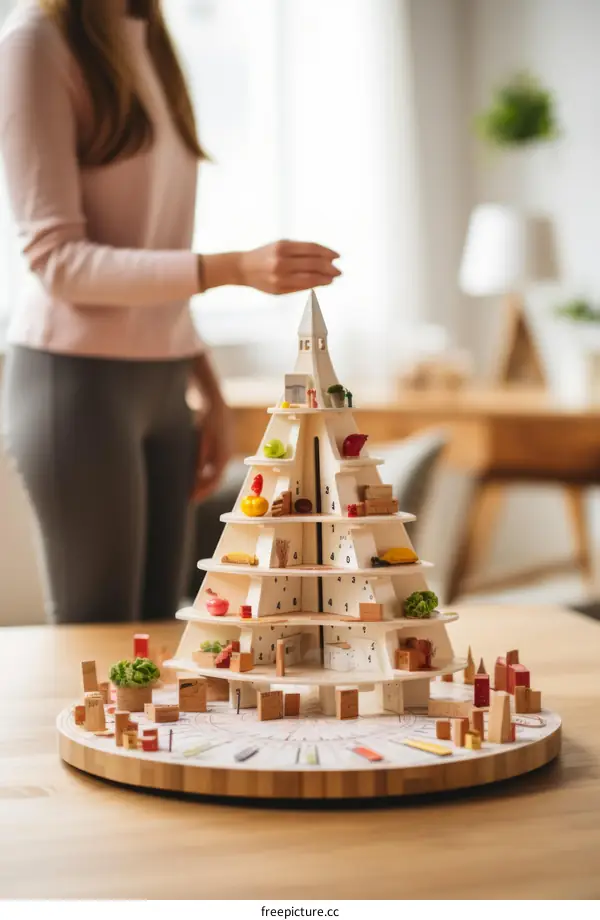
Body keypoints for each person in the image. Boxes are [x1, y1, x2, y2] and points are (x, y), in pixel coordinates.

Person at [0, 0, 340, 624]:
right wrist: (231, 269)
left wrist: (202, 382)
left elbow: (153, 249)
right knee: (98, 639)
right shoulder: (32, 44)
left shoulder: (146, 38)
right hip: (76, 382)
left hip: (163, 380)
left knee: (161, 629)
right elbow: (57, 261)